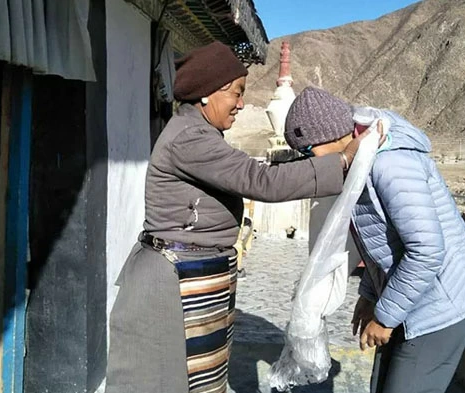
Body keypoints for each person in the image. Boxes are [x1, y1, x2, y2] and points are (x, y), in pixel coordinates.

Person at [105, 43, 376, 393]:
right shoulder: (189, 138)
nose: (241, 103)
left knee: (197, 379)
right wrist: (341, 161)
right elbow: (259, 181)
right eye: (236, 93)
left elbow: (252, 170)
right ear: (207, 94)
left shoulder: (203, 135)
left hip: (195, 278)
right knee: (164, 380)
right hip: (171, 282)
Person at [283, 87, 465, 393]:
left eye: (308, 152)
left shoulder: (390, 165)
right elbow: (381, 243)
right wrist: (371, 295)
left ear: (332, 136)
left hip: (443, 301)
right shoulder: (361, 164)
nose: (310, 162)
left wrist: (385, 317)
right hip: (413, 297)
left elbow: (426, 251)